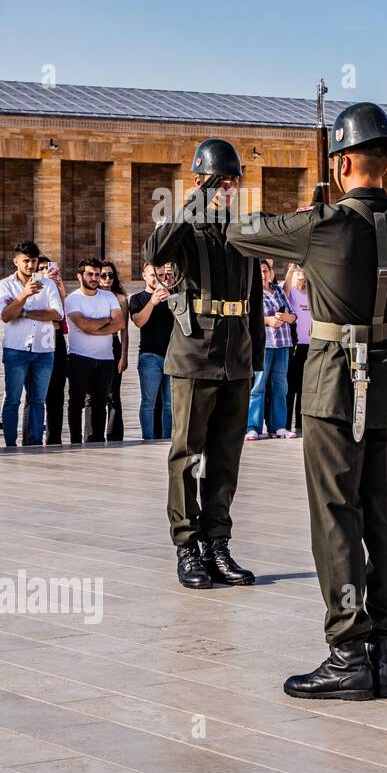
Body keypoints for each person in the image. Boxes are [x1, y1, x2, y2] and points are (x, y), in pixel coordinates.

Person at [227, 102, 387, 700]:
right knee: (386, 517)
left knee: (335, 517)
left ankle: (347, 650)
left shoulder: (319, 226)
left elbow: (244, 233)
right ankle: (384, 655)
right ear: (383, 164)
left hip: (330, 387)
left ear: (343, 164)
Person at [143, 138, 263, 590]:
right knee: (188, 455)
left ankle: (217, 543)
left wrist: (256, 353)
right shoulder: (185, 226)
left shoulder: (243, 229)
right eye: (220, 180)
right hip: (195, 354)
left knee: (226, 457)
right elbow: (155, 250)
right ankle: (187, 545)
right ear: (200, 181)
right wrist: (194, 202)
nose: (228, 188)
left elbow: (251, 299)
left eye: (233, 181)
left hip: (236, 355)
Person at [2, 240, 63, 447]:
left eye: (34, 261)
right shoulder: (5, 285)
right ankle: (10, 443)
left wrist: (25, 311)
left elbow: (57, 314)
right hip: (16, 349)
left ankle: (34, 442)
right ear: (16, 262)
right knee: (12, 399)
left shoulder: (49, 285)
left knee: (37, 401)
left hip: (44, 350)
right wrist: (24, 294)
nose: (30, 265)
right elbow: (6, 316)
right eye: (26, 261)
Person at [63, 258, 123, 444]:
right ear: (79, 276)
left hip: (105, 358)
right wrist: (106, 321)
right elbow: (83, 325)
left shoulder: (109, 297)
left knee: (100, 403)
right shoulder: (72, 299)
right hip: (79, 357)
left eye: (97, 274)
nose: (95, 278)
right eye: (90, 274)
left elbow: (120, 323)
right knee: (76, 401)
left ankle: (95, 440)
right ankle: (75, 440)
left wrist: (93, 325)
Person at [246, 259, 295, 439]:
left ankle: (278, 426)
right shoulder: (252, 293)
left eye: (266, 271)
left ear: (271, 273)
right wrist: (267, 320)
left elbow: (293, 314)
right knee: (258, 387)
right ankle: (253, 427)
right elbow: (248, 317)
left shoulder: (280, 291)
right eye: (259, 271)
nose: (263, 274)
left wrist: (287, 317)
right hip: (263, 345)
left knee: (280, 387)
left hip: (283, 344)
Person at [128, 262, 175, 440]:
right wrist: (153, 302)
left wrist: (172, 297)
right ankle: (147, 437)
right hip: (149, 356)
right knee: (149, 402)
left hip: (171, 356)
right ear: (144, 276)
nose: (157, 279)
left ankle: (167, 437)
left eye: (161, 275)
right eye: (153, 275)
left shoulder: (172, 297)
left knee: (169, 403)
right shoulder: (137, 298)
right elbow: (139, 321)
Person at [36, 257, 69, 444]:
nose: (46, 271)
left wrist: (60, 289)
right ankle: (33, 436)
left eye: (48, 268)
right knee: (37, 393)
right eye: (41, 268)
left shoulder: (55, 288)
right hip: (39, 339)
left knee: (57, 392)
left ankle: (54, 437)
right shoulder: (32, 288)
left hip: (57, 339)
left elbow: (62, 314)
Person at [97, 260, 129, 441]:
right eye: (103, 275)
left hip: (113, 344)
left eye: (110, 275)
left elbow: (124, 331)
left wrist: (123, 356)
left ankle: (115, 435)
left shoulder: (121, 299)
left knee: (113, 393)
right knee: (93, 394)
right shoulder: (92, 296)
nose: (107, 279)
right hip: (94, 345)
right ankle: (93, 435)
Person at [283, 262, 312, 432]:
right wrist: (291, 268)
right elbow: (285, 290)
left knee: (304, 386)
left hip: (309, 345)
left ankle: (301, 424)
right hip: (294, 346)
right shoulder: (290, 291)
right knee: (290, 386)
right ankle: (286, 424)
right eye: (298, 268)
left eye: (303, 268)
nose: (301, 271)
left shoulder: (309, 293)